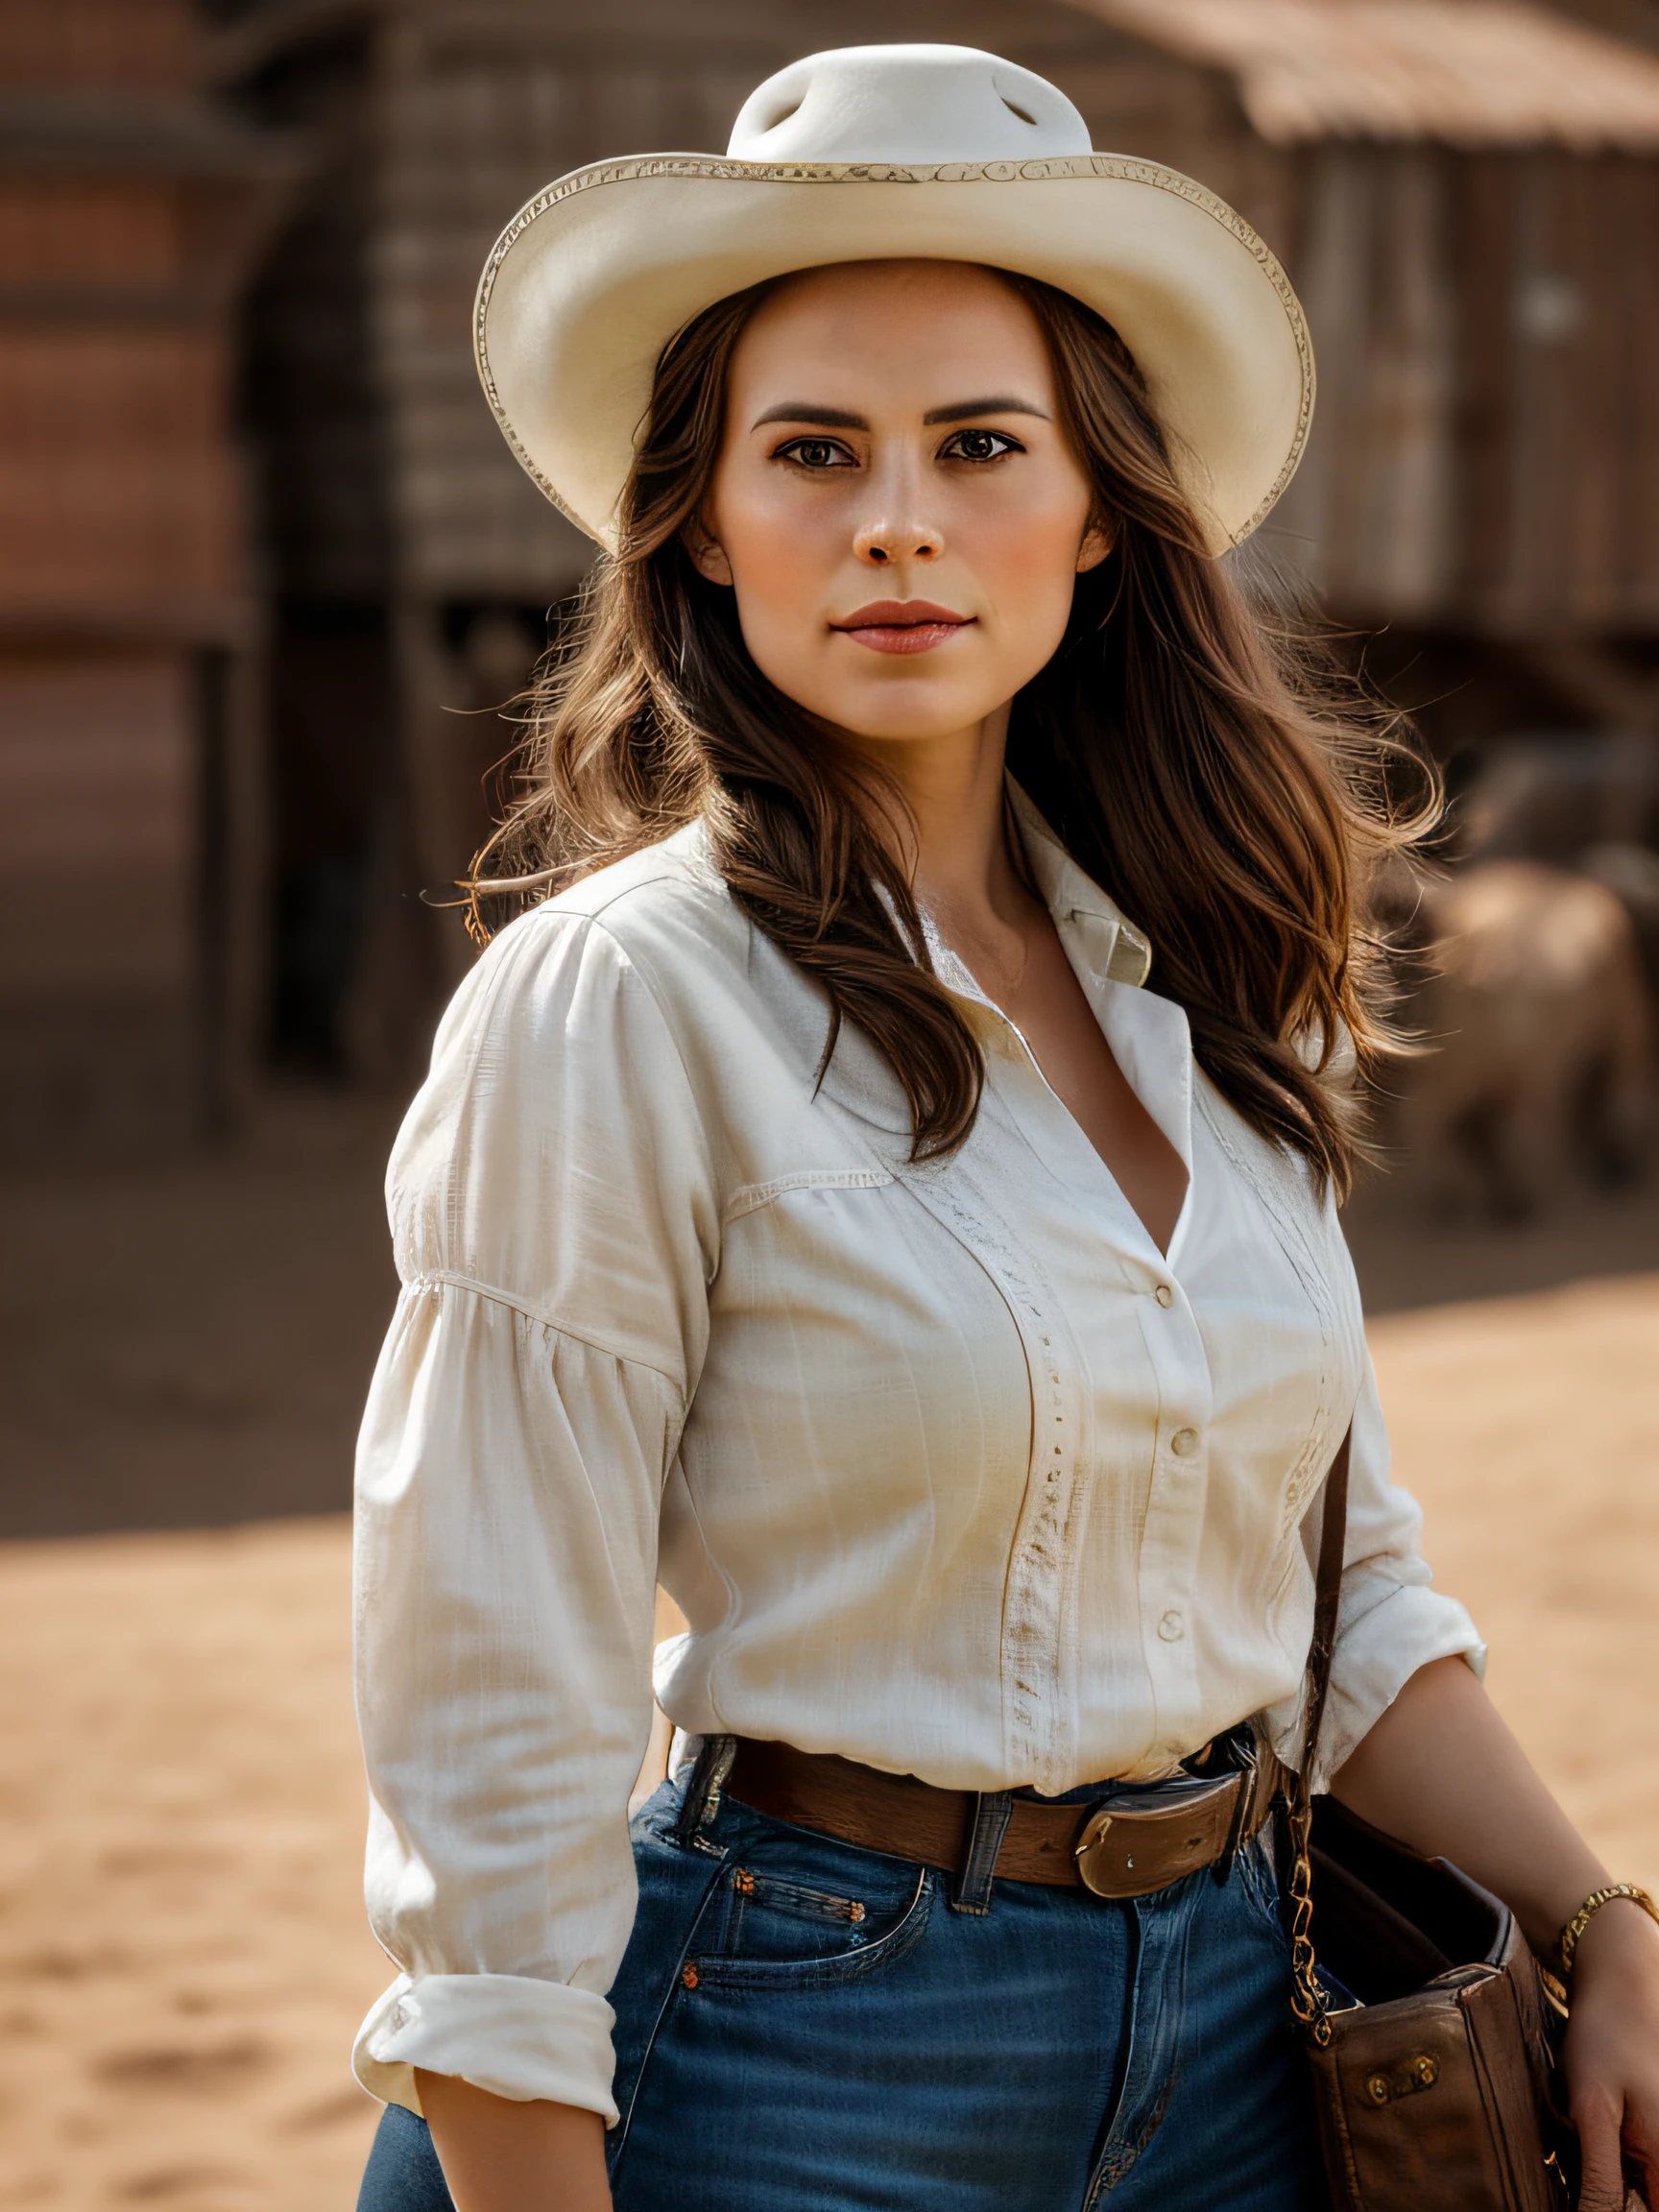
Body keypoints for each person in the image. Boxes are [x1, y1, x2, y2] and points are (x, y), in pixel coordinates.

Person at [352, 44, 1659, 2212]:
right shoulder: (618, 1005)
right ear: (696, 515)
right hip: (784, 2050)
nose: (895, 519)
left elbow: (1337, 1598)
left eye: (978, 444)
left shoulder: (1208, 996)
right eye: (812, 451)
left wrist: (1610, 1926)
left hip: (1256, 2038)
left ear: (1096, 513)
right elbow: (492, 1714)